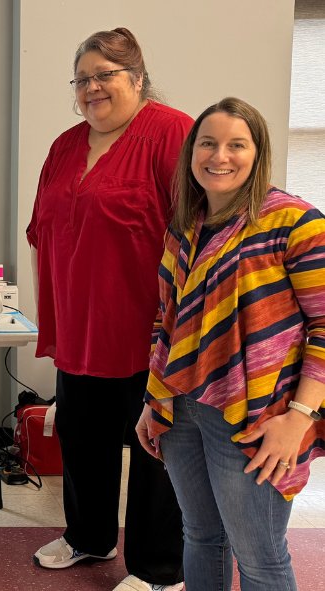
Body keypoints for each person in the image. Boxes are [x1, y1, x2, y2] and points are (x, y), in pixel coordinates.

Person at [26, 28, 193, 591]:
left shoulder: (172, 133)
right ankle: (89, 539)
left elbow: (202, 234)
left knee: (155, 452)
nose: (92, 88)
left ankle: (158, 568)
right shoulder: (66, 145)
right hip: (80, 330)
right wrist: (46, 318)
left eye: (105, 76)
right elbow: (41, 234)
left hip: (149, 333)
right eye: (82, 79)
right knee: (82, 437)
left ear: (137, 79)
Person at [137, 97, 325, 591]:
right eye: (208, 143)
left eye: (236, 145)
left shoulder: (295, 223)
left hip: (257, 416)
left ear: (257, 152)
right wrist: (153, 400)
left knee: (260, 557)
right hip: (181, 406)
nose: (220, 156)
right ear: (191, 153)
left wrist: (300, 418)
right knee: (200, 537)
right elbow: (166, 320)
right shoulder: (185, 224)